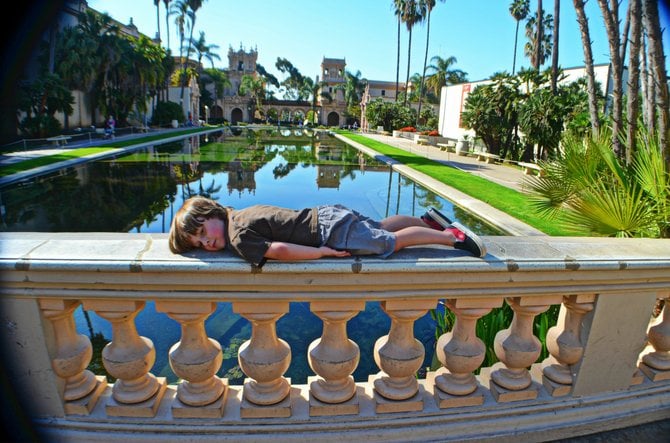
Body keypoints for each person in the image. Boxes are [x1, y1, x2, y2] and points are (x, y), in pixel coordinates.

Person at [168, 196, 486, 267]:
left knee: (389, 243)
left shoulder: (237, 237)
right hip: (327, 213)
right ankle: (427, 221)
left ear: (210, 213)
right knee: (378, 227)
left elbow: (279, 251)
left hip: (326, 233)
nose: (205, 241)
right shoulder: (237, 214)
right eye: (198, 242)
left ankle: (449, 237)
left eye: (200, 230)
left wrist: (321, 253)